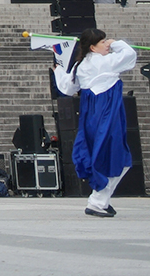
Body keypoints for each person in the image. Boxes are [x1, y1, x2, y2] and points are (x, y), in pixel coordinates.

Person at [54, 29, 138, 217]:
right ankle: (97, 201)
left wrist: (58, 71)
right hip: (106, 114)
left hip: (91, 115)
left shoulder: (80, 65)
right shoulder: (105, 62)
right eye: (103, 42)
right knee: (117, 157)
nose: (106, 44)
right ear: (93, 47)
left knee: (108, 156)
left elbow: (67, 88)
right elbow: (130, 55)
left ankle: (101, 200)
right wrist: (116, 43)